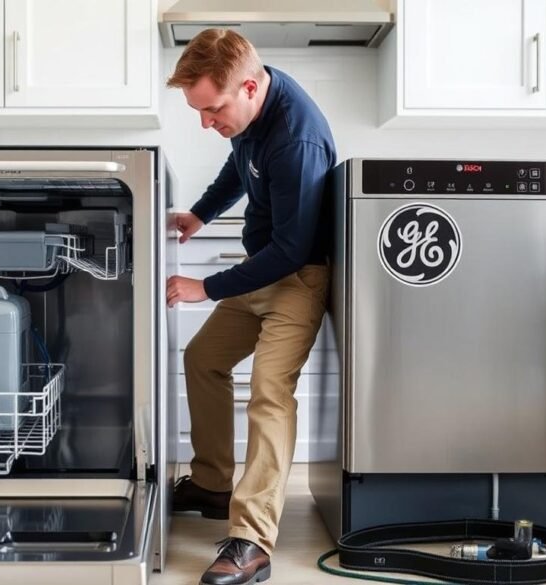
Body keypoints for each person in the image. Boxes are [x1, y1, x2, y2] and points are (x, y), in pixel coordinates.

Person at [164, 28, 336, 585]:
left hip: (298, 276)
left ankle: (253, 542)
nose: (206, 123)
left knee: (269, 390)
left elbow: (292, 249)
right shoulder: (250, 118)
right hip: (263, 267)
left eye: (212, 109)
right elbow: (238, 168)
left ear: (249, 88)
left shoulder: (296, 139)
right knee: (203, 359)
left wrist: (206, 287)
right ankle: (212, 484)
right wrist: (200, 214)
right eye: (199, 111)